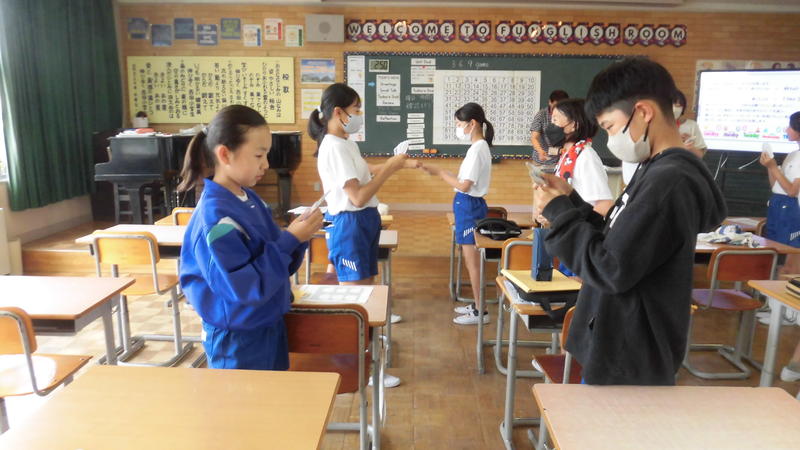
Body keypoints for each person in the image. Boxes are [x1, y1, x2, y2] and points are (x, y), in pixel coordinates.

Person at [532, 57, 726, 385]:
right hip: (619, 340)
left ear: (643, 112)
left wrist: (560, 213)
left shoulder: (669, 181)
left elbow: (611, 268)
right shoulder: (655, 169)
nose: (610, 138)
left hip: (630, 352)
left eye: (610, 126)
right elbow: (618, 238)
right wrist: (570, 201)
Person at [178, 105, 323, 370]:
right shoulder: (216, 218)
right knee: (243, 398)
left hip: (266, 322)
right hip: (237, 337)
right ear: (225, 154)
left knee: (272, 393)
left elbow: (275, 261)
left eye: (266, 155)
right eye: (258, 155)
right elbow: (246, 287)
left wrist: (298, 237)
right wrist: (291, 239)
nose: (266, 164)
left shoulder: (248, 198)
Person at [309, 83, 417, 388]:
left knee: (366, 295)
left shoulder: (346, 143)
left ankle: (368, 363)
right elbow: (357, 196)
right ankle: (358, 370)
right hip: (350, 224)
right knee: (354, 304)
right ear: (338, 112)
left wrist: (397, 164)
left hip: (364, 222)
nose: (359, 115)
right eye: (356, 109)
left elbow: (365, 172)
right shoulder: (333, 146)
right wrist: (390, 169)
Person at [421, 103, 494, 325]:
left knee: (473, 263)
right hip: (466, 205)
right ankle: (478, 305)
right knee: (470, 261)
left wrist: (440, 172)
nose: (458, 128)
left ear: (472, 123)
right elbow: (464, 181)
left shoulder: (478, 148)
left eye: (459, 124)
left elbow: (464, 185)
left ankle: (481, 311)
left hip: (469, 206)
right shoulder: (477, 147)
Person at [622, 89, 707, 184]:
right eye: (673, 104)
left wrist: (688, 148)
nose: (676, 108)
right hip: (652, 176)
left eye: (679, 105)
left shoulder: (691, 126)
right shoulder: (652, 125)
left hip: (683, 174)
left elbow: (700, 155)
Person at [550, 98, 614, 217]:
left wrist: (577, 225)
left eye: (555, 119)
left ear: (574, 125)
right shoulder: (567, 155)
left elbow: (604, 205)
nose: (550, 125)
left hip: (578, 227)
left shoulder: (586, 157)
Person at [760, 111, 800, 274]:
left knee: (791, 266)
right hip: (779, 210)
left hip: (794, 213)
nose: (786, 130)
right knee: (778, 261)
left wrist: (772, 167)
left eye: (790, 126)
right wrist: (771, 166)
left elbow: (792, 191)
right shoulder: (792, 155)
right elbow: (776, 186)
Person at [530, 90, 569, 166]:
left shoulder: (569, 115)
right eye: (555, 105)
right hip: (541, 160)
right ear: (550, 102)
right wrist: (540, 151)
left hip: (561, 160)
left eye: (561, 106)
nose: (558, 108)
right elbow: (534, 138)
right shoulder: (541, 115)